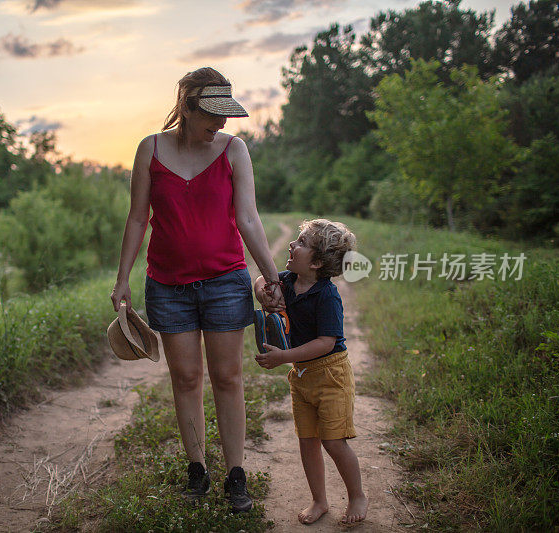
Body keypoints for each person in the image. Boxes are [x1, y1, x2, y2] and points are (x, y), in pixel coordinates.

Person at [110, 67, 284, 513]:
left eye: (226, 115)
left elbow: (248, 219)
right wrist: (122, 278)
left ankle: (236, 475)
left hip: (226, 281)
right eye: (213, 115)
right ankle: (197, 470)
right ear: (187, 107)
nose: (222, 124)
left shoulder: (234, 150)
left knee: (228, 377)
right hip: (167, 286)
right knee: (185, 378)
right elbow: (136, 218)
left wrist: (272, 277)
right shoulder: (149, 149)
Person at [253, 218, 368, 525]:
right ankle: (319, 500)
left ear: (317, 262)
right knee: (308, 440)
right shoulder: (288, 280)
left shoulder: (327, 296)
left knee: (333, 441)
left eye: (301, 243)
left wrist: (285, 356)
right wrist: (264, 292)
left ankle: (356, 494)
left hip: (331, 375)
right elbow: (260, 281)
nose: (292, 244)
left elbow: (325, 342)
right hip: (302, 377)